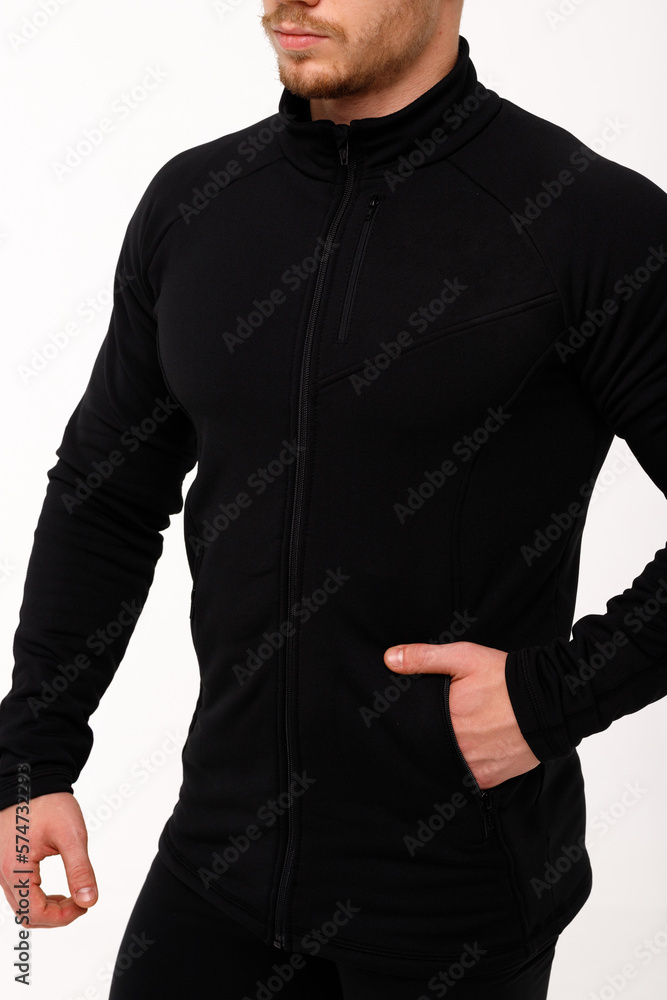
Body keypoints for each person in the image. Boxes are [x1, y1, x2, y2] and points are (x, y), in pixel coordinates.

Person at [1, 1, 667, 996]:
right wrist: (33, 759)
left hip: (452, 907)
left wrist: (555, 696)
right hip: (216, 871)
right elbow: (106, 493)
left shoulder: (586, 221)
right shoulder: (196, 203)